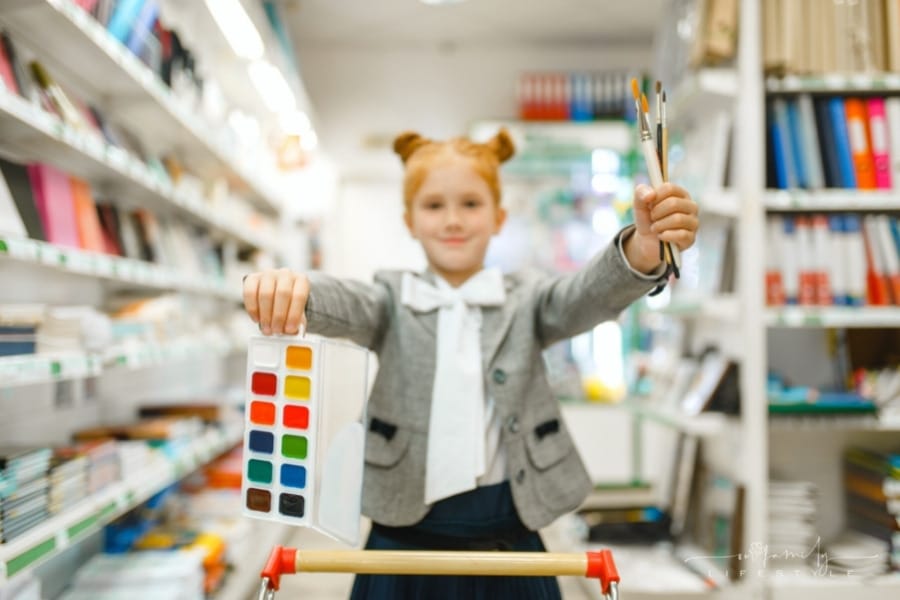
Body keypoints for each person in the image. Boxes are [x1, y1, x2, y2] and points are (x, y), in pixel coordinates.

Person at [242, 128, 699, 599]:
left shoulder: (528, 299)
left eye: (471, 204)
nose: (453, 220)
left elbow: (584, 295)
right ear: (410, 220)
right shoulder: (389, 298)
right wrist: (296, 288)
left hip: (510, 538)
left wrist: (643, 249)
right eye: (434, 205)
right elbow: (346, 301)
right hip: (400, 542)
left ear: (499, 217)